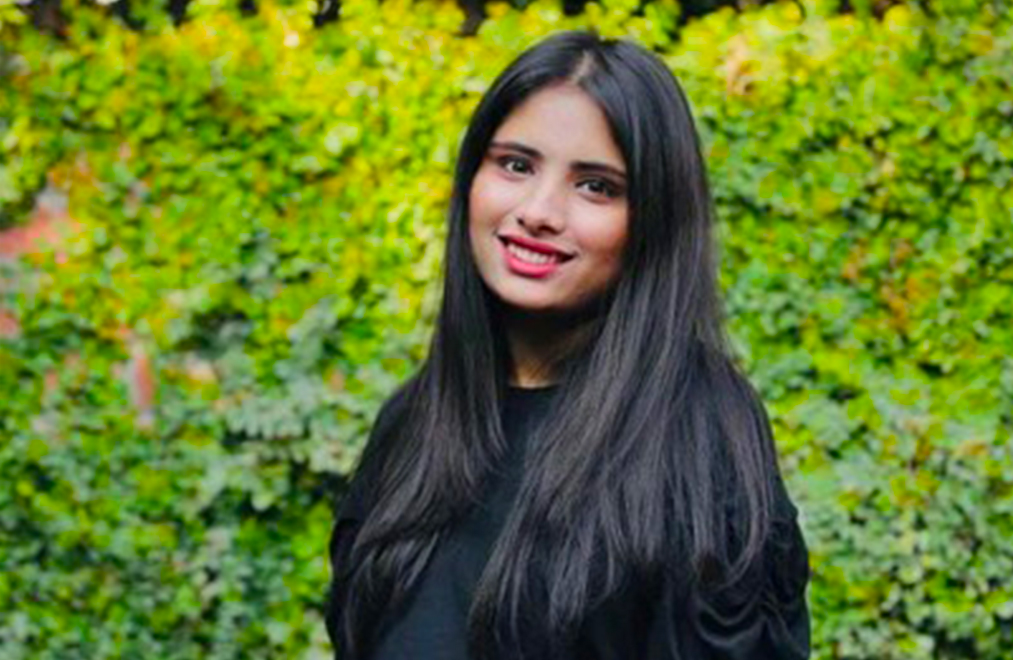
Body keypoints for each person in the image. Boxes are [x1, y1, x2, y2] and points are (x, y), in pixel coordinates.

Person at [326, 30, 810, 660]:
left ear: (652, 220)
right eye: (516, 165)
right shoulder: (413, 423)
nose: (539, 211)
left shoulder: (698, 435)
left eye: (596, 186)